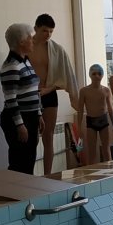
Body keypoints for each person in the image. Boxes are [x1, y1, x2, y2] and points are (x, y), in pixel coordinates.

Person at [27, 14, 79, 175]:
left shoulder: (56, 50)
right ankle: (29, 174)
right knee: (31, 138)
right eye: (44, 30)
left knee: (48, 136)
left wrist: (49, 89)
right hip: (30, 95)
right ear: (35, 28)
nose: (48, 34)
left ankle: (48, 174)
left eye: (50, 31)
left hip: (48, 94)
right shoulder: (26, 46)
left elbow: (65, 77)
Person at [0, 23, 44, 174]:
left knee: (29, 160)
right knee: (19, 163)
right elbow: (10, 99)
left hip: (30, 117)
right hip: (17, 120)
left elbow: (33, 91)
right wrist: (20, 125)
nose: (33, 41)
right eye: (30, 38)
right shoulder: (11, 66)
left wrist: (38, 114)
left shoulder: (25, 61)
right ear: (21, 42)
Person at [76, 64, 113, 165]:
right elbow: (80, 110)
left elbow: (110, 109)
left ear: (102, 75)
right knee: (91, 151)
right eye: (94, 74)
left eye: (99, 74)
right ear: (90, 75)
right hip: (91, 121)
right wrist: (79, 126)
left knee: (106, 150)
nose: (97, 76)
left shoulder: (106, 90)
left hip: (103, 120)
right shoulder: (84, 91)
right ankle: (91, 172)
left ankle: (110, 171)